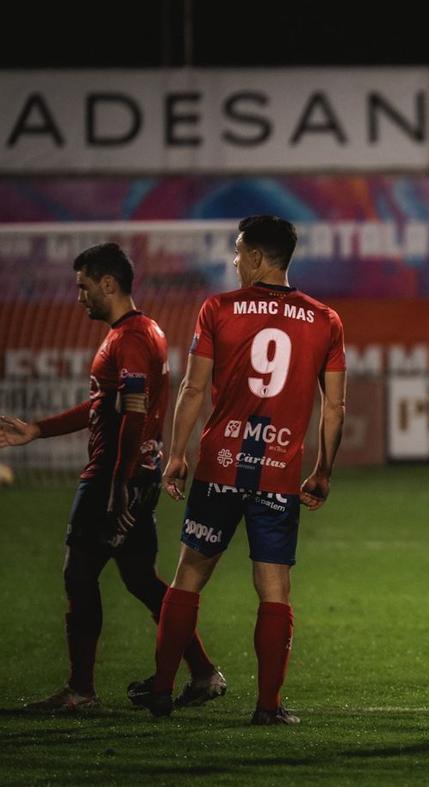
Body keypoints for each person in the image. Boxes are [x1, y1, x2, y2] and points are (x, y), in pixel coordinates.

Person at [127, 215, 346, 726]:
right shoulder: (326, 320)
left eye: (237, 250)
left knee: (188, 579)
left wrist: (177, 453)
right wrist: (323, 470)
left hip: (220, 467)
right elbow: (335, 407)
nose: (233, 259)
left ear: (254, 257)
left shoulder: (218, 310)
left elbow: (194, 389)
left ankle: (162, 690)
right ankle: (267, 707)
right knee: (274, 591)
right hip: (277, 473)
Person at [0, 243, 225, 712]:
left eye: (83, 287)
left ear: (108, 284)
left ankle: (80, 691)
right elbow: (108, 405)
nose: (78, 297)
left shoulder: (130, 339)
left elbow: (135, 415)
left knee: (79, 573)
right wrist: (39, 430)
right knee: (141, 578)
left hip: (112, 476)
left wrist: (120, 483)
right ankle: (203, 673)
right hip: (131, 474)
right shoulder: (139, 332)